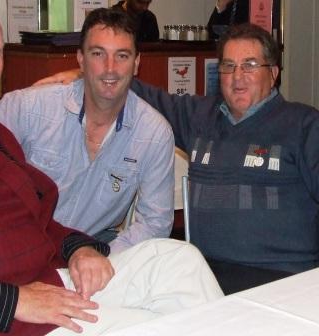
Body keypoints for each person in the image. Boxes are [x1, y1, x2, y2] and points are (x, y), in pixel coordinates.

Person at [0, 3, 223, 335]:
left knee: (182, 262)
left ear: (136, 63)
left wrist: (79, 248)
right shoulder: (16, 112)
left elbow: (36, 216)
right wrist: (14, 301)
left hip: (50, 271)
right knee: (159, 326)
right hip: (1, 307)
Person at [36, 23, 319, 294]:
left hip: (282, 278)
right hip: (199, 273)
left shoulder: (303, 126)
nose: (237, 76)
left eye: (250, 65)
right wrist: (86, 74)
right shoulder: (200, 117)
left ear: (274, 73)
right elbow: (141, 94)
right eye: (228, 66)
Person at [0, 8, 175, 253]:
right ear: (80, 59)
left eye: (122, 56)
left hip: (93, 248)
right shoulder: (27, 109)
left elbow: (155, 224)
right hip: (19, 246)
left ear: (137, 63)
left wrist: (102, 258)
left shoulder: (154, 134)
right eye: (98, 54)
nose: (110, 68)